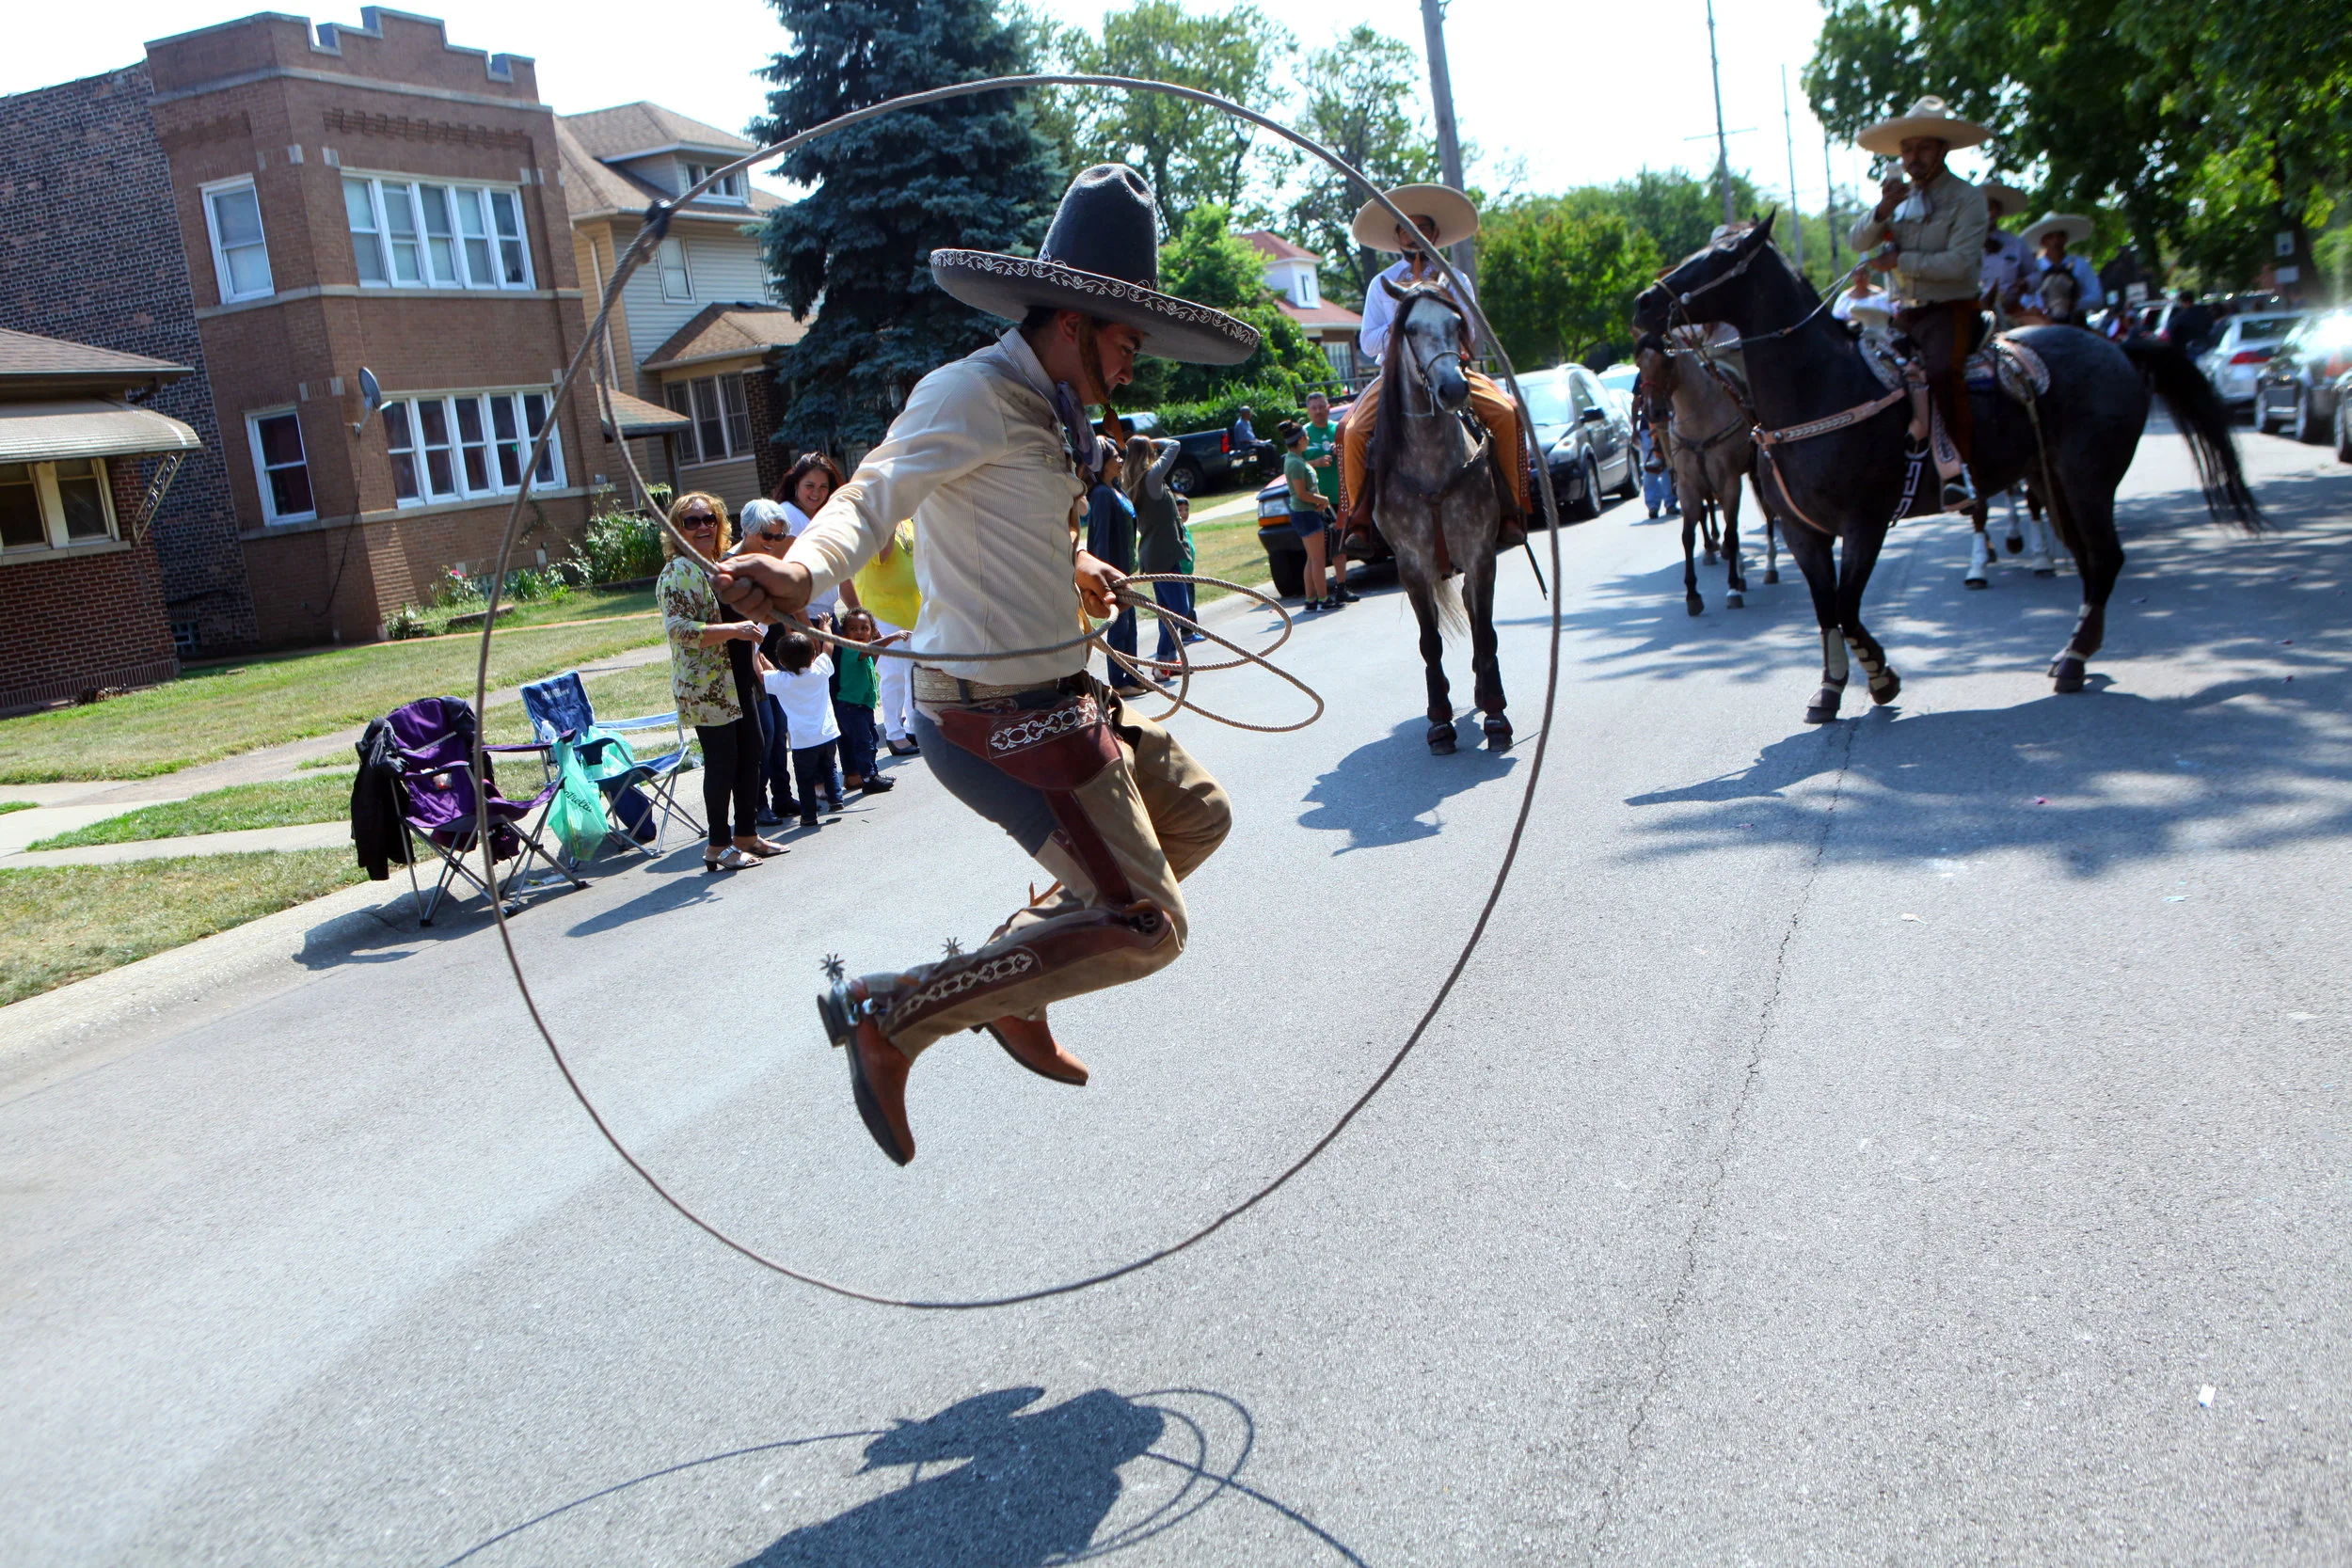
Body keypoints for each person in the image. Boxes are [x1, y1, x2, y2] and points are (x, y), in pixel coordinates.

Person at [713, 163, 1255, 1165]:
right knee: (1146, 926)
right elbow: (871, 492)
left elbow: (1008, 520)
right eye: (1126, 342)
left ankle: (1016, 984)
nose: (1131, 364)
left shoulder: (1052, 407)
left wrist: (1074, 558)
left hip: (1065, 698)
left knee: (1200, 816)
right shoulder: (968, 391)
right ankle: (894, 1015)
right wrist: (800, 572)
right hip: (996, 719)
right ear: (1074, 319)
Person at [1341, 183, 1529, 548]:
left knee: (1506, 412)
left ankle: (1510, 509)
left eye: (1421, 229)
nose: (1413, 236)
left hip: (1447, 368)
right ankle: (1359, 519)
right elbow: (1367, 342)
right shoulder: (1382, 286)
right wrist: (1403, 331)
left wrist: (1437, 327)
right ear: (1396, 237)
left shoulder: (1456, 279)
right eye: (1404, 229)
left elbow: (1469, 330)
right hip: (1396, 377)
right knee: (1351, 431)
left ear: (1435, 234)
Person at [1847, 95, 1992, 511]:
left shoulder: (1967, 199)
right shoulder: (1898, 200)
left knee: (1943, 373)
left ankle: (1962, 470)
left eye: (1923, 147)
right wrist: (1881, 211)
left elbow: (1962, 264)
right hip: (1902, 315)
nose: (1913, 156)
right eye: (1907, 149)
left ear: (1943, 149)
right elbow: (1857, 241)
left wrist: (1902, 261)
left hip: (1950, 310)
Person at [659, 492, 784, 872]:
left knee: (753, 750)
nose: (702, 527)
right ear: (677, 530)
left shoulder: (720, 566)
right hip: (706, 685)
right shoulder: (677, 572)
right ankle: (717, 844)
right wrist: (735, 630)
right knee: (722, 762)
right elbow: (679, 629)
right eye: (691, 521)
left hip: (739, 677)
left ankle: (746, 834)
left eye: (709, 518)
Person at [733, 498, 802, 824]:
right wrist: (756, 658)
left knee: (779, 730)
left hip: (773, 654)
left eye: (778, 537)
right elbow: (735, 623)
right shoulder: (730, 566)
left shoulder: (768, 563)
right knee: (765, 734)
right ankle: (757, 804)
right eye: (767, 536)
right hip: (747, 663)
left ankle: (783, 796)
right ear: (747, 529)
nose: (774, 544)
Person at [1083, 438, 1149, 691]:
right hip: (1112, 574)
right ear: (1102, 462)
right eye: (1115, 457)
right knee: (1119, 626)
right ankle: (1118, 682)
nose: (1121, 460)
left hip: (1125, 570)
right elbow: (1099, 538)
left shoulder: (1117, 489)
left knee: (1130, 626)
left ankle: (1133, 676)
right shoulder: (1100, 494)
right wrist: (1103, 580)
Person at [851, 517, 921, 756]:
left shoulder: (906, 521)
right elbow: (881, 555)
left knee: (914, 674)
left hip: (911, 610)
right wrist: (889, 517)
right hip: (882, 611)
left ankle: (913, 728)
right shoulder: (869, 523)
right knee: (893, 675)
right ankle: (894, 734)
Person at [1126, 432, 1196, 669]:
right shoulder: (1151, 479)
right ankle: (1161, 658)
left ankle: (1167, 658)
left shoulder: (1135, 479)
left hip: (1155, 552)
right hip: (1162, 553)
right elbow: (1175, 445)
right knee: (1179, 608)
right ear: (1147, 454)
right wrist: (1152, 442)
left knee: (1166, 610)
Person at [765, 628, 844, 830]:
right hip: (827, 735)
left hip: (802, 742)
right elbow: (829, 647)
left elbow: (762, 673)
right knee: (830, 768)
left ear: (781, 663)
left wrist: (754, 649)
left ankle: (809, 815)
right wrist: (825, 627)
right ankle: (835, 799)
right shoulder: (820, 669)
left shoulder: (781, 681)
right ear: (813, 655)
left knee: (805, 779)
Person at [778, 452, 859, 624]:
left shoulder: (826, 516)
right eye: (810, 485)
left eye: (823, 486)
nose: (816, 492)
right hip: (802, 620)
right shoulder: (788, 515)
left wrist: (860, 615)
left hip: (827, 617)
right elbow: (784, 579)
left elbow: (840, 571)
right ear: (796, 484)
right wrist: (806, 626)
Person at [831, 607, 899, 797]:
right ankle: (869, 779)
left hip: (863, 706)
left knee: (870, 741)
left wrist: (879, 638)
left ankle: (872, 774)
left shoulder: (864, 653)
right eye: (853, 629)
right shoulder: (851, 649)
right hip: (852, 707)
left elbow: (872, 656)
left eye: (864, 628)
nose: (859, 632)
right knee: (863, 744)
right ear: (844, 633)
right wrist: (892, 637)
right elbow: (871, 649)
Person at [1280, 420, 1342, 612]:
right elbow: (1301, 493)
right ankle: (1323, 599)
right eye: (1305, 437)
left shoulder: (1296, 460)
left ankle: (1311, 599)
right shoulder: (1294, 463)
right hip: (1305, 513)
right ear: (1299, 441)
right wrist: (1322, 500)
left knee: (1312, 557)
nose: (1308, 439)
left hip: (1306, 512)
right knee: (1318, 559)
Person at [2017, 214, 2105, 325]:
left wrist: (2071, 305)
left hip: (2076, 323)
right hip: (2041, 324)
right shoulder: (2033, 268)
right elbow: (2025, 301)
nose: (2056, 240)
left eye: (2060, 236)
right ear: (2043, 242)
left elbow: (2096, 298)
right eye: (2051, 237)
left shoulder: (2080, 264)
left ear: (2066, 239)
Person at [1978, 181, 2033, 315]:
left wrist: (2026, 283)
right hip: (1969, 308)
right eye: (1984, 207)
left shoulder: (2016, 243)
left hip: (2009, 310)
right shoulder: (1961, 240)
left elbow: (2034, 274)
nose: (1988, 213)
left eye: (1992, 208)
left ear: (1998, 212)